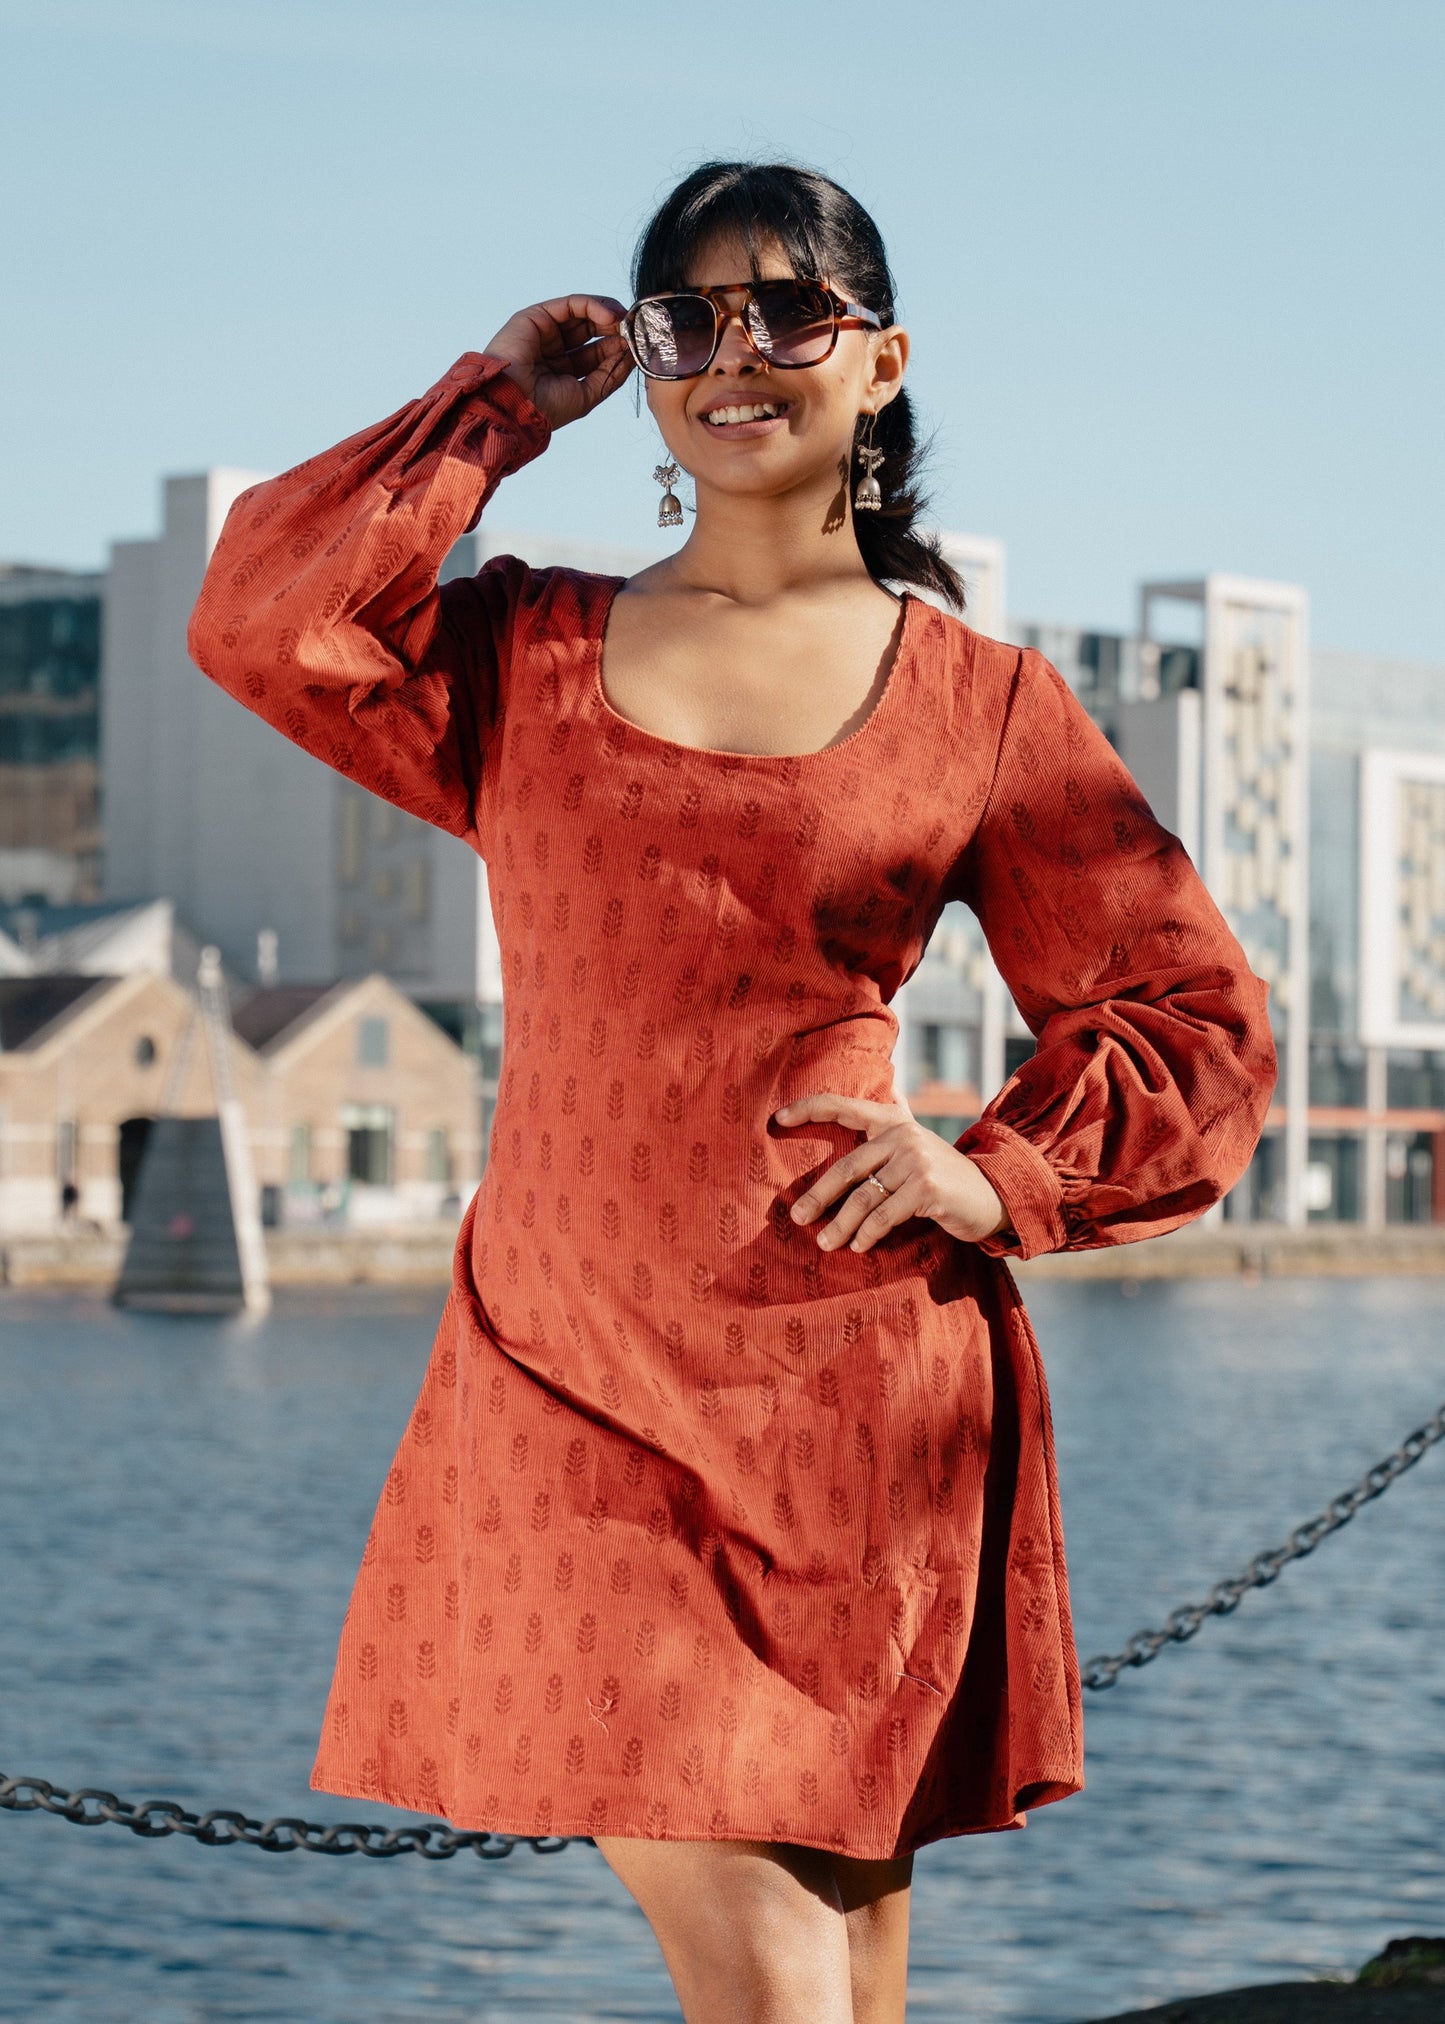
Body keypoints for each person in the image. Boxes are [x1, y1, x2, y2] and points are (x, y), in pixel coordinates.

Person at [189, 160, 1276, 2024]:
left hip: (855, 1396)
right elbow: (261, 617)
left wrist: (990, 1177)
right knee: (766, 1963)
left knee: (843, 1950)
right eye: (687, 319)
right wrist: (496, 410)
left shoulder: (983, 703)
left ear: (884, 363)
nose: (734, 352)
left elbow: (1193, 1014)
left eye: (789, 313)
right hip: (564, 1376)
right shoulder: (518, 652)